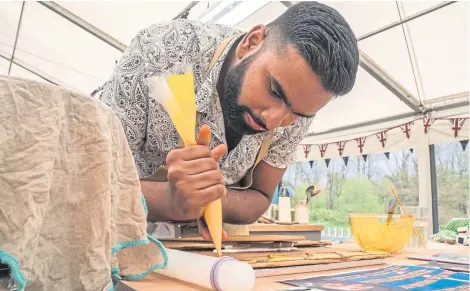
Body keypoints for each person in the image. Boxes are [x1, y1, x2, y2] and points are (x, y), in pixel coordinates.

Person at [94, 1, 359, 240]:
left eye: (298, 114)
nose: (273, 121)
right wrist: (172, 201)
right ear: (252, 42)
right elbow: (92, 179)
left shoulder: (300, 101)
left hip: (214, 245)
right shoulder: (163, 50)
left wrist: (209, 203)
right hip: (118, 234)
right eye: (274, 91)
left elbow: (261, 196)